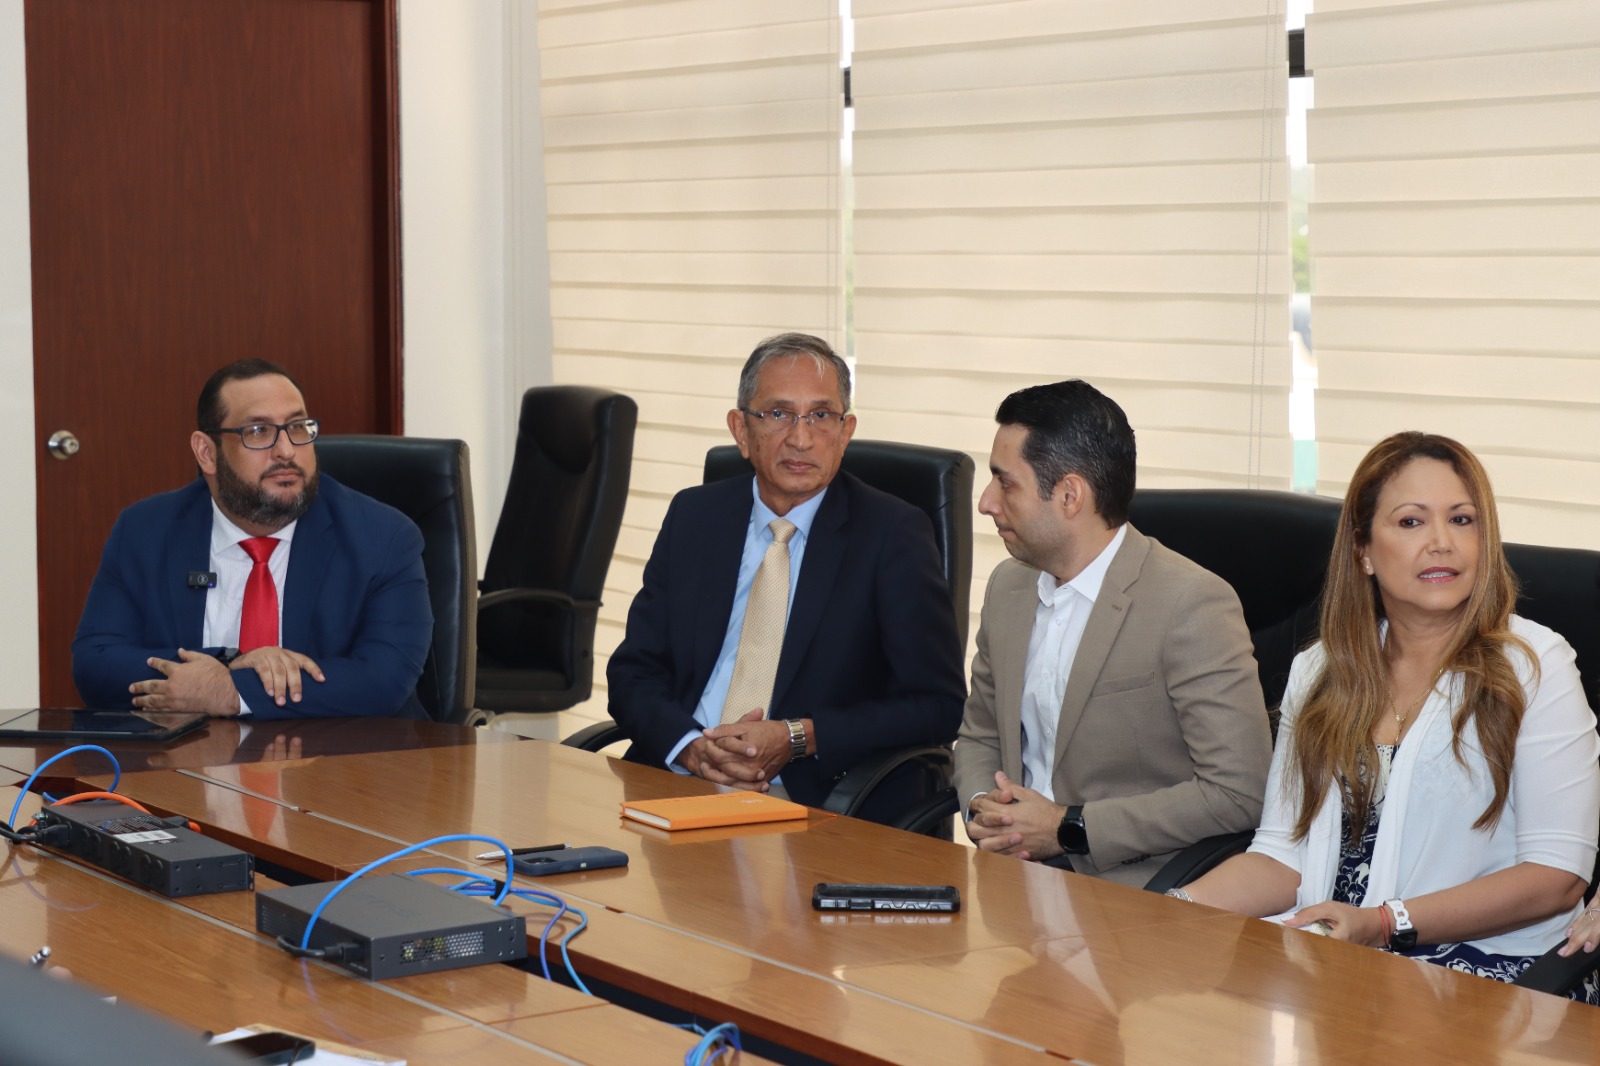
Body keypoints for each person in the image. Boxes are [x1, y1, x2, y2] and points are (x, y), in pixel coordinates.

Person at [1175, 432, 1600, 1001]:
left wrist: (1382, 923)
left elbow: (1556, 878)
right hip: (1337, 958)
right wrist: (1171, 910)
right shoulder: (1320, 671)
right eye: (1411, 522)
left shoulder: (1535, 665)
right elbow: (1281, 857)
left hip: (1493, 973)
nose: (1442, 542)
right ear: (1364, 552)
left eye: (1462, 520)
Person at [606, 333, 966, 808]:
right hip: (676, 780)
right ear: (741, 429)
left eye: (821, 415)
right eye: (778, 414)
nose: (801, 438)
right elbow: (633, 670)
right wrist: (691, 750)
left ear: (845, 431)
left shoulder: (891, 534)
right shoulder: (696, 516)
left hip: (808, 799)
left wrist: (798, 737)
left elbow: (937, 706)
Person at [954, 380, 1271, 886]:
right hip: (1009, 880)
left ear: (1070, 495)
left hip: (1132, 890)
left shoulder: (1190, 604)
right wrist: (985, 810)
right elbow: (980, 735)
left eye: (1005, 483)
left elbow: (1239, 791)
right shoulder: (1008, 587)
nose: (986, 502)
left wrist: (1069, 828)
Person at [71, 359, 433, 720]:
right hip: (191, 752)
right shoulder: (146, 531)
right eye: (258, 431)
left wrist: (232, 691)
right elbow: (96, 663)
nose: (286, 451)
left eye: (297, 427)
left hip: (344, 753)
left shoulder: (383, 538)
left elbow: (384, 680)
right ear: (207, 453)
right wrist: (228, 662)